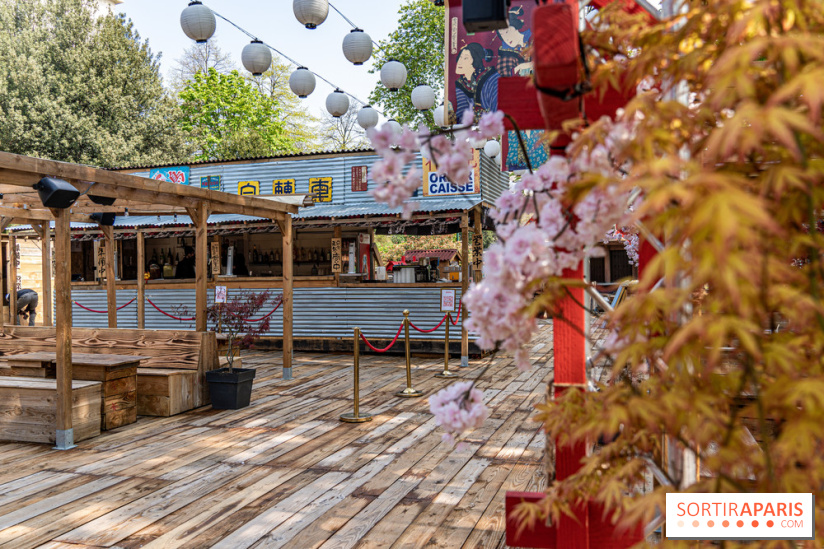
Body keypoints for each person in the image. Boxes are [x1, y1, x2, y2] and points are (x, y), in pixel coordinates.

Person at [455, 42, 500, 119]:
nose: (460, 62)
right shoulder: (461, 84)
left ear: (475, 60)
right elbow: (461, 113)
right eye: (460, 57)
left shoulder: (492, 78)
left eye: (465, 58)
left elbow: (498, 107)